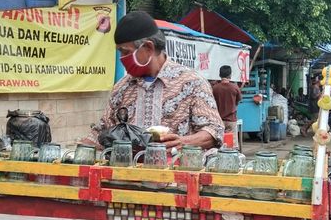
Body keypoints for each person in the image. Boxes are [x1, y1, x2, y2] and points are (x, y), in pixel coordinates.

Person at [84, 11, 224, 150]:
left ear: (148, 47)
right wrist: (80, 148)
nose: (122, 58)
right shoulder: (121, 88)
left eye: (125, 52)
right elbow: (101, 131)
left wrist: (183, 142)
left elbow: (214, 131)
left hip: (176, 170)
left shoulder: (192, 83)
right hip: (129, 171)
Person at [212, 65, 242, 148]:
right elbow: (238, 100)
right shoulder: (234, 88)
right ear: (230, 75)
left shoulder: (215, 88)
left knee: (219, 144)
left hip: (218, 120)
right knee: (232, 144)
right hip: (231, 120)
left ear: (219, 75)